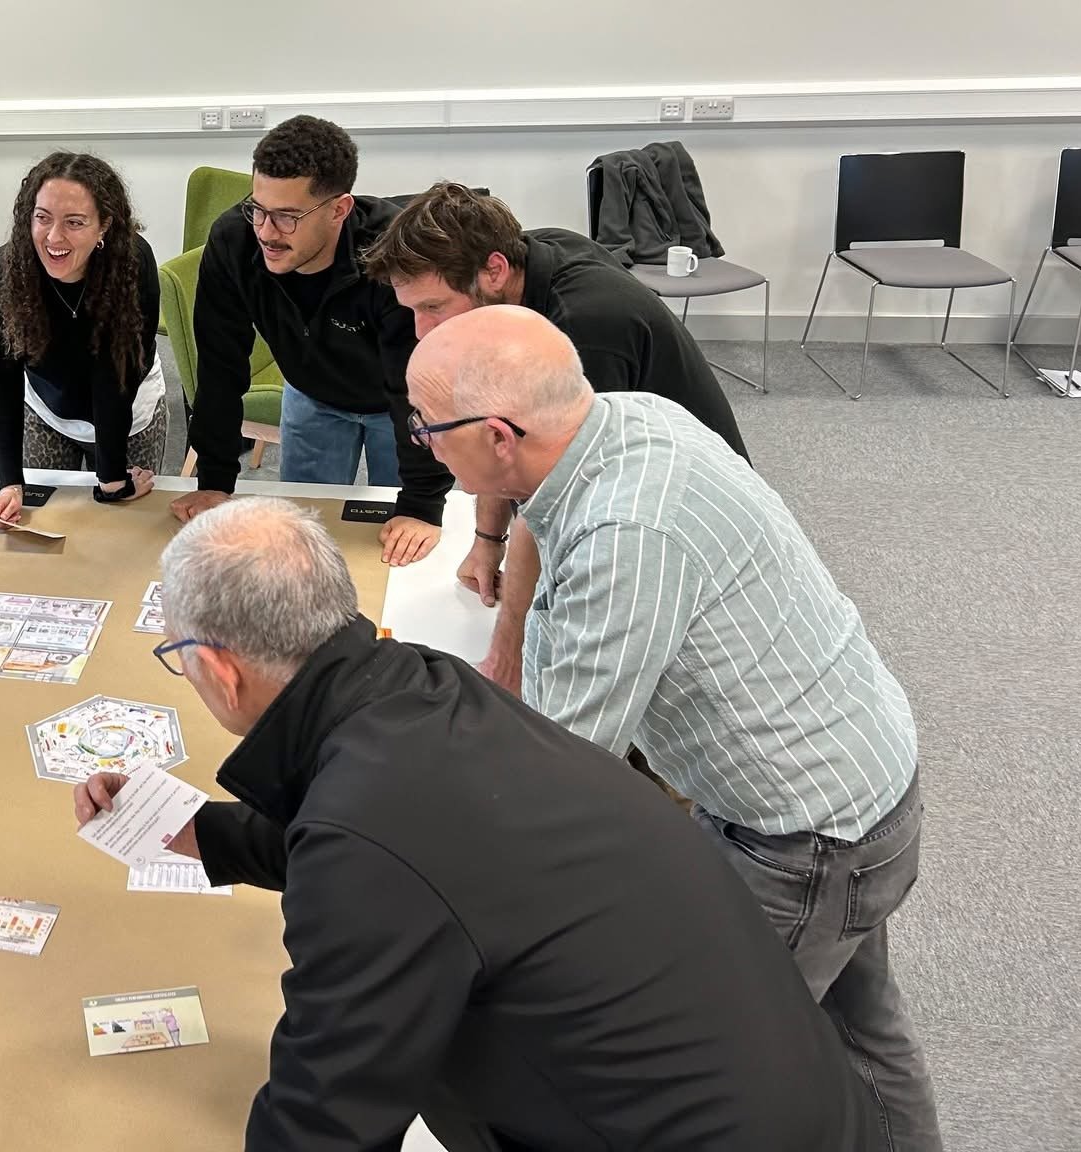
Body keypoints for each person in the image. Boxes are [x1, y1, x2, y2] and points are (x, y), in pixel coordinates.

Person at [73, 498, 879, 1152]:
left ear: (218, 668)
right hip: (789, 1097)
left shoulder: (369, 827)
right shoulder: (424, 690)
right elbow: (398, 854)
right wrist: (201, 833)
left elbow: (327, 1112)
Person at [405, 305, 936, 1151]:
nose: (421, 442)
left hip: (806, 844)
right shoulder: (624, 420)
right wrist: (508, 644)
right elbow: (542, 513)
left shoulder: (629, 537)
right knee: (864, 1035)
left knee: (691, 1080)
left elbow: (560, 776)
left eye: (427, 426)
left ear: (500, 436)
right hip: (862, 778)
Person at [363, 182, 749, 691]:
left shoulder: (587, 327)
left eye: (433, 307)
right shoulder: (533, 255)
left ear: (494, 271)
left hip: (687, 516)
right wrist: (486, 542)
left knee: (625, 684)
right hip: (630, 477)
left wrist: (506, 655)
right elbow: (500, 433)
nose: (420, 330)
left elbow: (551, 492)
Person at [174, 115, 451, 566]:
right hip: (311, 396)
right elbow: (221, 364)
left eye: (286, 217)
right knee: (306, 538)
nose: (265, 231)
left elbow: (416, 385)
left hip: (394, 406)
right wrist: (216, 480)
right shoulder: (234, 241)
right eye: (258, 208)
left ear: (339, 209)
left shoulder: (393, 253)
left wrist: (422, 505)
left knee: (396, 547)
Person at [0, 152, 163, 521]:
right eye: (42, 218)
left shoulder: (132, 263)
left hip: (128, 414)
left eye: (74, 222)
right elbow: (1, 380)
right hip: (48, 411)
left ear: (104, 226)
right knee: (47, 523)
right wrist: (11, 483)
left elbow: (117, 378)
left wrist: (112, 480)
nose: (53, 237)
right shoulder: (5, 272)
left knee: (122, 531)